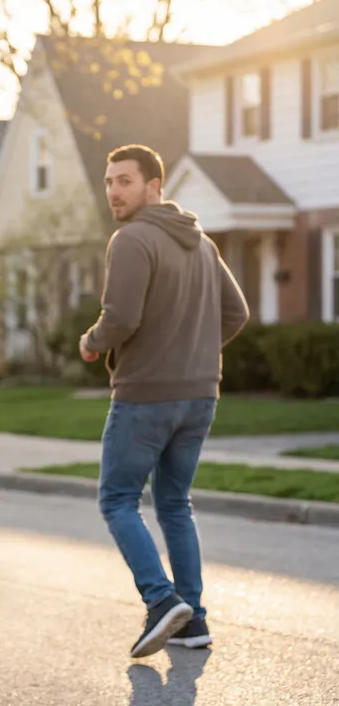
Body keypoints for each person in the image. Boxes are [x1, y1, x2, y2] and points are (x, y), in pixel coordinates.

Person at [79, 144, 249, 659]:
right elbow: (236, 313)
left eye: (125, 181)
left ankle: (161, 600)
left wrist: (91, 341)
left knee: (117, 500)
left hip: (146, 396)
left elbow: (121, 318)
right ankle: (193, 620)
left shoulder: (132, 239)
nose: (114, 191)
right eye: (109, 182)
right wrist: (193, 354)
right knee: (175, 504)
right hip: (200, 395)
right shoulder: (202, 244)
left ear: (155, 185)